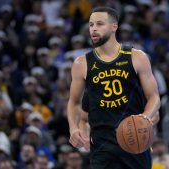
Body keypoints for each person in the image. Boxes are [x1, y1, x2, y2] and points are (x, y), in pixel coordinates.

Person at [67, 6, 161, 169]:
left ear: (114, 26)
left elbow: (154, 97)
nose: (94, 29)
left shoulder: (136, 57)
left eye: (99, 24)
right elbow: (74, 102)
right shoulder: (81, 63)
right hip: (102, 147)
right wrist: (74, 128)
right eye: (91, 25)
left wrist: (145, 118)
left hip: (135, 141)